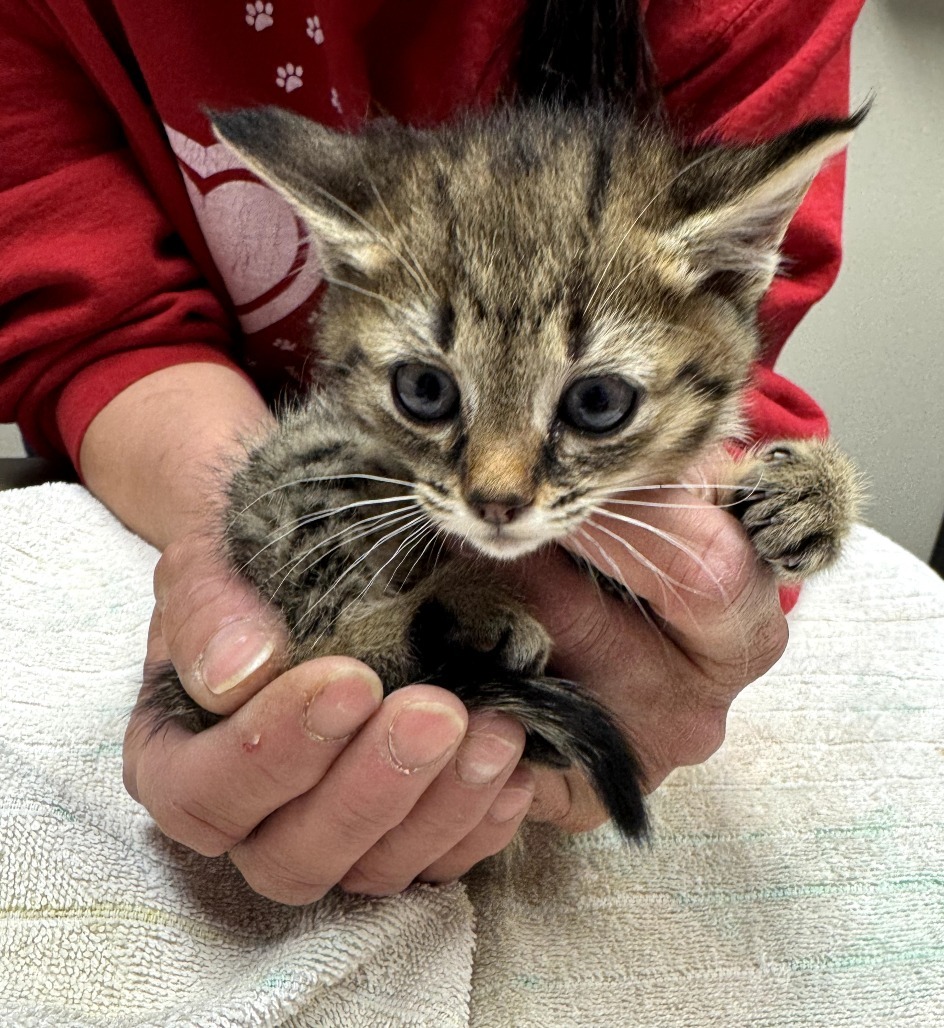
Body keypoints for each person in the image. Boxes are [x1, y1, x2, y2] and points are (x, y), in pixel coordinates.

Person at [0, 0, 864, 903]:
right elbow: (93, 320)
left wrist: (780, 505)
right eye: (430, 393)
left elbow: (736, 424)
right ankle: (393, 642)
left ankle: (415, 645)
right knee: (301, 465)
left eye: (595, 401)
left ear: (729, 280)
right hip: (359, 569)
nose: (497, 487)